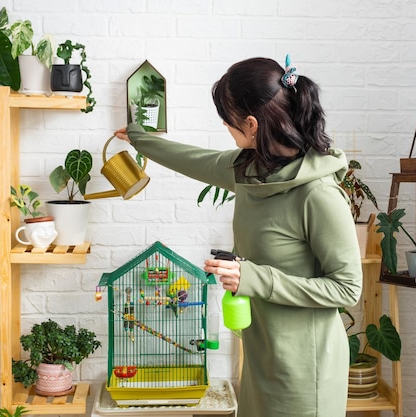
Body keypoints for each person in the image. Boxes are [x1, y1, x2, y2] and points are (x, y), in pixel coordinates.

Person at [114, 55, 362, 417]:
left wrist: (253, 277)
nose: (227, 131)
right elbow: (192, 159)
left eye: (228, 123)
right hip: (264, 356)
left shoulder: (318, 195)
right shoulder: (250, 170)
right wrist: (138, 138)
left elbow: (347, 289)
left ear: (250, 124)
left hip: (306, 369)